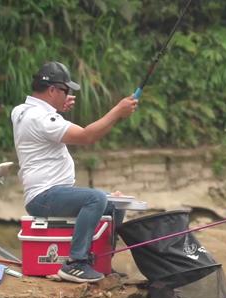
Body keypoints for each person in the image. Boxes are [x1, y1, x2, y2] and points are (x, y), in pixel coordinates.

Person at [11, 61, 138, 283]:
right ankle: (76, 263)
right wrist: (117, 111)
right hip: (44, 196)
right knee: (95, 198)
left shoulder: (22, 111)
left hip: (50, 194)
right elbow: (87, 136)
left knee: (112, 206)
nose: (68, 95)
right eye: (65, 90)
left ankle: (101, 262)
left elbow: (46, 115)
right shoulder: (42, 119)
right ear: (52, 90)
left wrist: (55, 106)